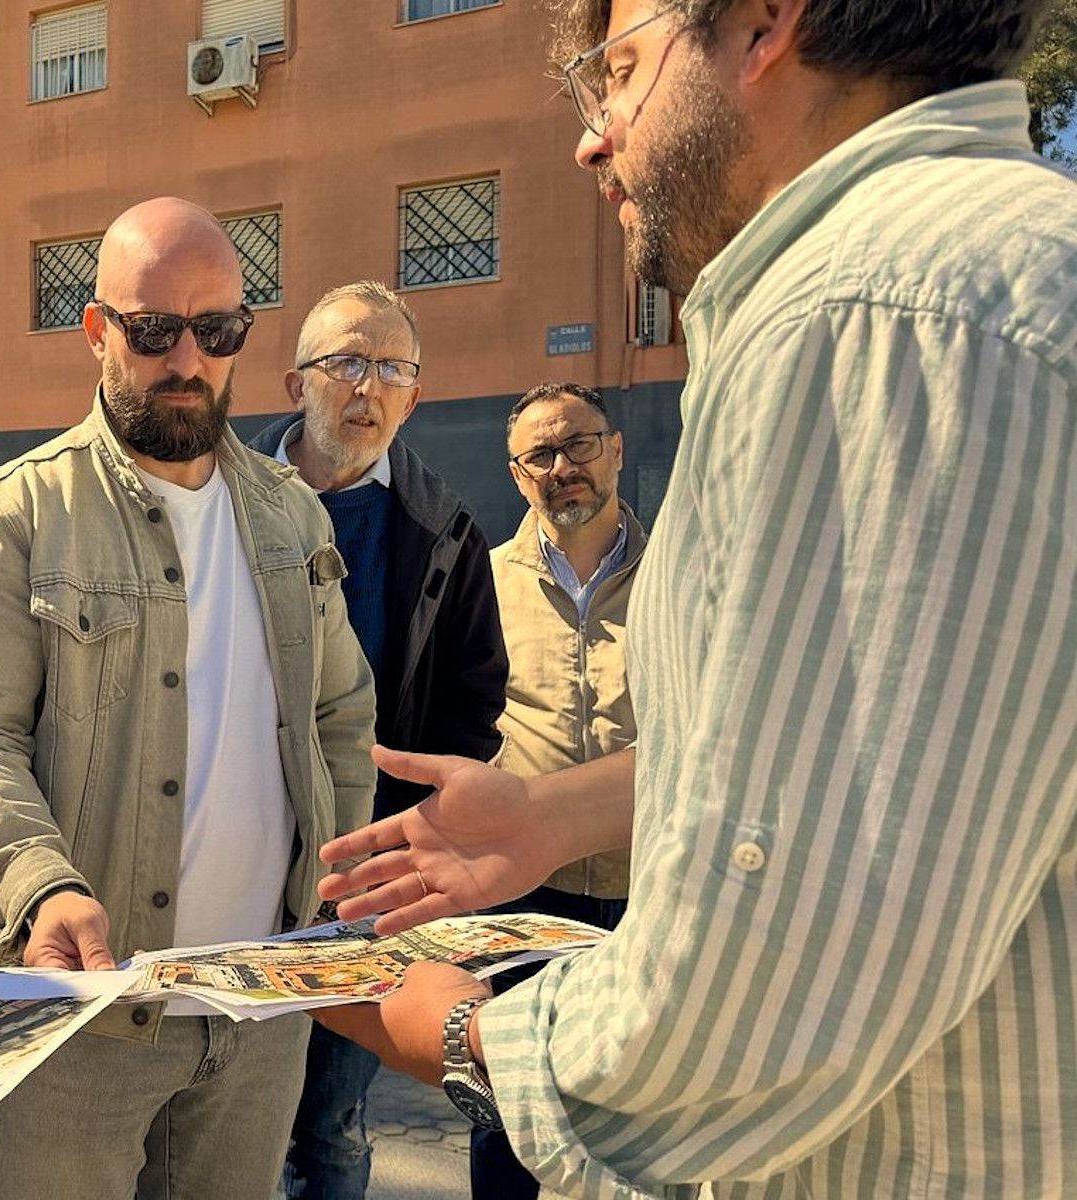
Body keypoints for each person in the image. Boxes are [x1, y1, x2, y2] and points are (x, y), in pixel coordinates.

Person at [315, 1, 1077, 1196]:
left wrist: (454, 1029)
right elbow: (871, 759)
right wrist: (556, 813)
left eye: (618, 70)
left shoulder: (872, 316)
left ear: (765, 25)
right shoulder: (968, 274)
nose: (593, 136)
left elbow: (775, 986)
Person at [0, 196, 377, 1200]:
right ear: (96, 331)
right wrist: (41, 885)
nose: (186, 360)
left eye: (217, 331)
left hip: (260, 1013)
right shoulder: (12, 516)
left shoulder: (292, 516)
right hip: (75, 1018)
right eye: (155, 329)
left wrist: (331, 891)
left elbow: (339, 714)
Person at [245, 280, 507, 1200]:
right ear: (295, 383)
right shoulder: (216, 498)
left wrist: (412, 829)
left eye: (393, 369)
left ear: (415, 397)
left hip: (365, 877)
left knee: (330, 1121)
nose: (368, 389)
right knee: (219, 1112)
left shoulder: (444, 529)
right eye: (347, 363)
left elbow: (473, 695)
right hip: (231, 865)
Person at [462, 381, 645, 1197]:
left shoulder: (681, 575)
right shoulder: (481, 582)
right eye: (539, 454)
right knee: (508, 1104)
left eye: (578, 444)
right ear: (516, 473)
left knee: (636, 1108)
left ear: (615, 449)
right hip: (521, 896)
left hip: (646, 889)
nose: (562, 466)